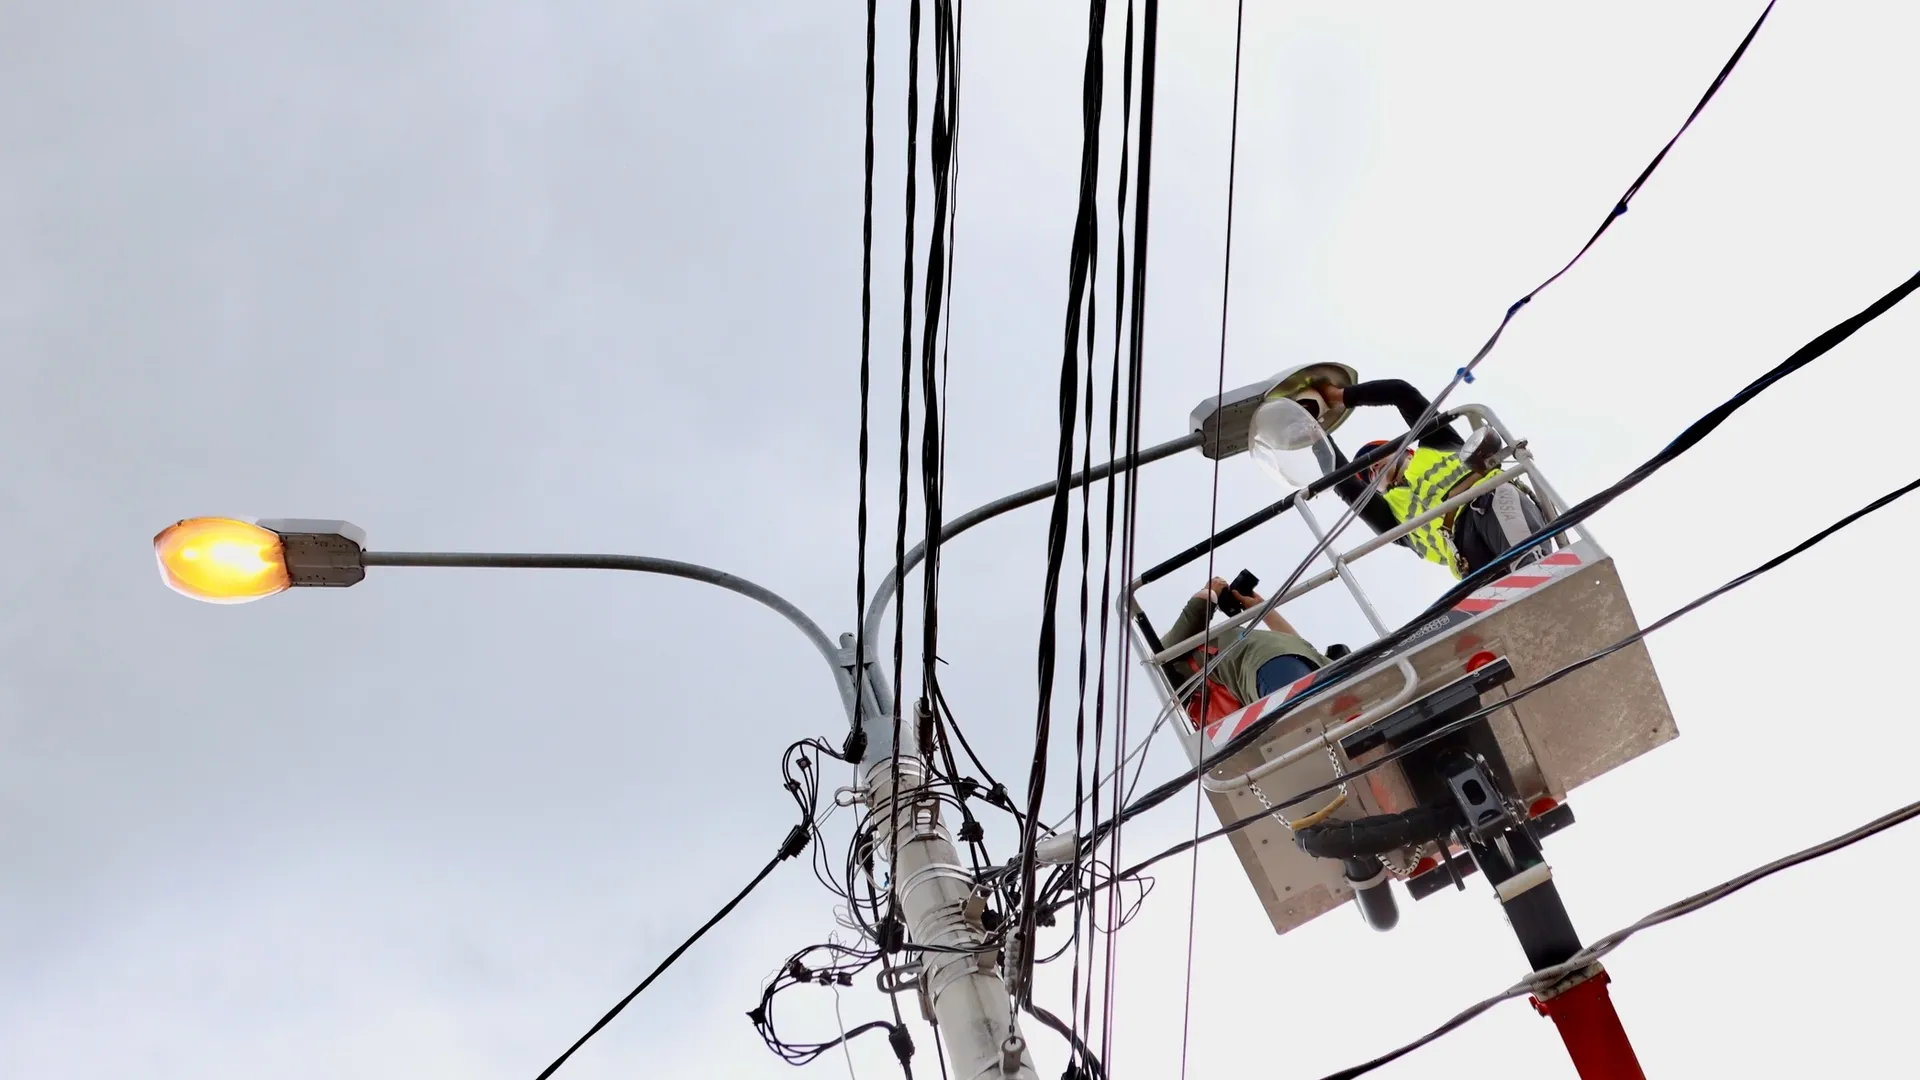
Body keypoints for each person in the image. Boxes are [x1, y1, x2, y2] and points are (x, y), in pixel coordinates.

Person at [1313, 378, 1549, 580]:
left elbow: (1401, 393)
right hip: (1467, 554)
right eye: (1368, 475)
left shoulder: (1438, 443)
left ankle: (1536, 571)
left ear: (1408, 450)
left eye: (1378, 454)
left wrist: (1339, 396)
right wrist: (1311, 426)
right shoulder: (1390, 518)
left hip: (1495, 507)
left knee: (1499, 495)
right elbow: (1341, 480)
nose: (1373, 466)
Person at [1162, 576, 1329, 729]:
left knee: (1306, 723)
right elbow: (1294, 645)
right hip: (1310, 662)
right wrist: (1262, 609)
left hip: (1270, 666)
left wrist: (1213, 590)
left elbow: (1196, 609)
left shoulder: (1167, 657)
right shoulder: (1224, 656)